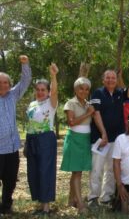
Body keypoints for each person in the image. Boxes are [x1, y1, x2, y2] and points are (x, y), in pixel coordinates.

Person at [88, 69, 129, 206]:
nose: (111, 80)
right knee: (96, 169)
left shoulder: (119, 93)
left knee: (110, 169)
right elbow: (96, 114)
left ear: (116, 80)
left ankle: (106, 197)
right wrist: (103, 133)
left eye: (113, 78)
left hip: (115, 139)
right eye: (108, 78)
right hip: (100, 139)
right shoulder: (97, 92)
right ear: (103, 80)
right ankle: (93, 198)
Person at [0, 55, 31, 214]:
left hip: (12, 148)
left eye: (6, 82)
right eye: (0, 82)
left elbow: (25, 81)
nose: (3, 85)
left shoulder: (12, 95)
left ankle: (6, 207)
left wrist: (25, 64)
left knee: (10, 180)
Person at [25, 63, 58, 215]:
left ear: (48, 91)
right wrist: (26, 143)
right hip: (31, 139)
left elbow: (55, 91)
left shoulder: (51, 103)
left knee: (45, 171)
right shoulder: (32, 104)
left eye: (43, 90)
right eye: (38, 90)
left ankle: (46, 207)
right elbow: (30, 123)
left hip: (46, 139)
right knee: (34, 172)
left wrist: (53, 76)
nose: (40, 92)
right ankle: (39, 203)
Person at [60, 77, 93, 213]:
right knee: (77, 172)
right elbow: (71, 122)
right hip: (74, 139)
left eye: (86, 89)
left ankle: (71, 199)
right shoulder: (70, 103)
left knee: (77, 172)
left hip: (85, 139)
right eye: (81, 88)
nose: (84, 91)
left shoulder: (87, 104)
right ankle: (80, 204)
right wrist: (88, 113)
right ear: (75, 89)